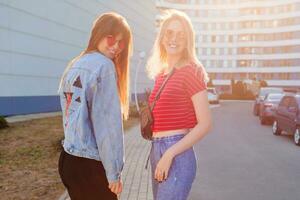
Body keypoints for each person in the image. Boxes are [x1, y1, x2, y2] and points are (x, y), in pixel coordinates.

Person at [57, 12, 132, 200]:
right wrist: (114, 173)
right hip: (90, 167)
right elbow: (107, 126)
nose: (116, 46)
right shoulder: (104, 66)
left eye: (121, 43)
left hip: (68, 161)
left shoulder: (75, 64)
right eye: (111, 39)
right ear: (99, 33)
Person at [146, 10, 212, 200]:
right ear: (162, 37)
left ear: (187, 40)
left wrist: (169, 154)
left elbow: (206, 124)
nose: (174, 38)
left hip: (177, 151)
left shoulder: (192, 70)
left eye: (181, 34)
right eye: (169, 32)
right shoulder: (162, 74)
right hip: (156, 149)